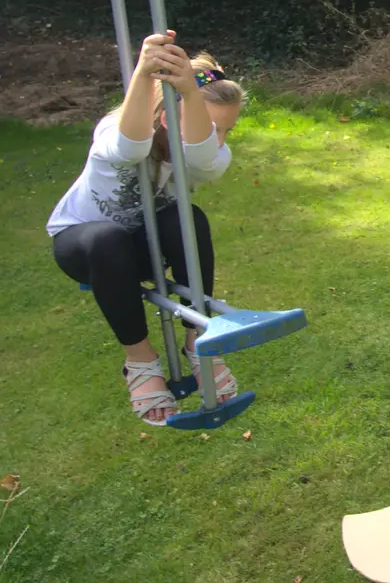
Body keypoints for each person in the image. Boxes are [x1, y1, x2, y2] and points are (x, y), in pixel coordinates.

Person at [48, 32, 245, 425]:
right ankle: (139, 361)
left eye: (226, 130)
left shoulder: (210, 151)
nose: (219, 139)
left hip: (144, 246)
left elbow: (203, 156)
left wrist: (191, 94)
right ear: (165, 117)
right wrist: (143, 75)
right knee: (108, 237)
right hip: (86, 245)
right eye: (212, 126)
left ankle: (198, 338)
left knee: (187, 215)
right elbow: (130, 148)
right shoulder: (114, 128)